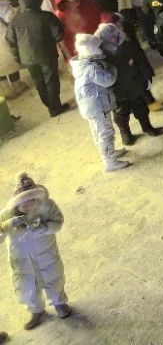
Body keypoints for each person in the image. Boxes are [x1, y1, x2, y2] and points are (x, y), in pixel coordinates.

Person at [1, 173, 70, 329]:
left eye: (31, 199)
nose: (27, 205)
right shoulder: (7, 214)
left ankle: (59, 302)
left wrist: (43, 228)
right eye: (23, 202)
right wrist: (7, 225)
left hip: (46, 255)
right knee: (26, 286)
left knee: (54, 279)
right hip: (22, 261)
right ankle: (36, 310)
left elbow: (58, 221)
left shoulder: (47, 206)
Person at [96, 18, 162, 144]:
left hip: (134, 83)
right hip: (117, 89)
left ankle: (147, 126)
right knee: (121, 114)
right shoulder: (100, 54)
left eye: (115, 35)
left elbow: (141, 60)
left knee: (141, 108)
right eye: (110, 38)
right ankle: (125, 132)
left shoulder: (127, 44)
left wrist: (147, 76)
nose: (114, 39)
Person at [70, 33, 128, 171]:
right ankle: (110, 162)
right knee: (104, 133)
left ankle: (110, 154)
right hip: (97, 106)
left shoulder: (83, 63)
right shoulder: (91, 68)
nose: (100, 49)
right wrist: (112, 68)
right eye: (97, 47)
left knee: (100, 131)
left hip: (94, 105)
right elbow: (108, 80)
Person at [4, 0, 64, 116]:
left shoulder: (15, 21)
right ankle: (55, 108)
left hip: (28, 59)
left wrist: (18, 58)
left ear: (21, 3)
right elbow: (58, 35)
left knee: (39, 82)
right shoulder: (47, 16)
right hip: (47, 55)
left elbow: (11, 41)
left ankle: (49, 105)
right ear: (39, 1)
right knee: (51, 81)